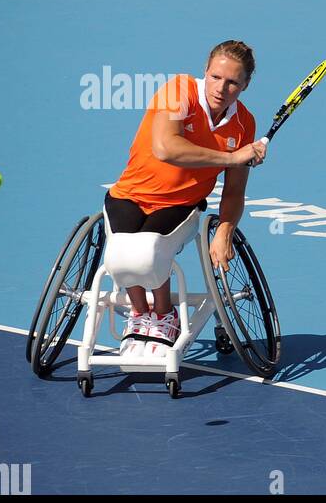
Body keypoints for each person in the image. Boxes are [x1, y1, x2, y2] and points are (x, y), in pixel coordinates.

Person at [105, 40, 266, 357]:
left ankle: (164, 314)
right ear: (205, 71)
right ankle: (140, 314)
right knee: (120, 260)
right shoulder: (178, 90)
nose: (221, 88)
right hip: (129, 194)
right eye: (216, 77)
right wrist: (232, 158)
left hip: (181, 205)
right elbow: (166, 148)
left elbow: (234, 191)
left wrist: (225, 231)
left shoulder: (244, 123)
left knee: (147, 256)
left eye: (233, 82)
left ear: (245, 85)